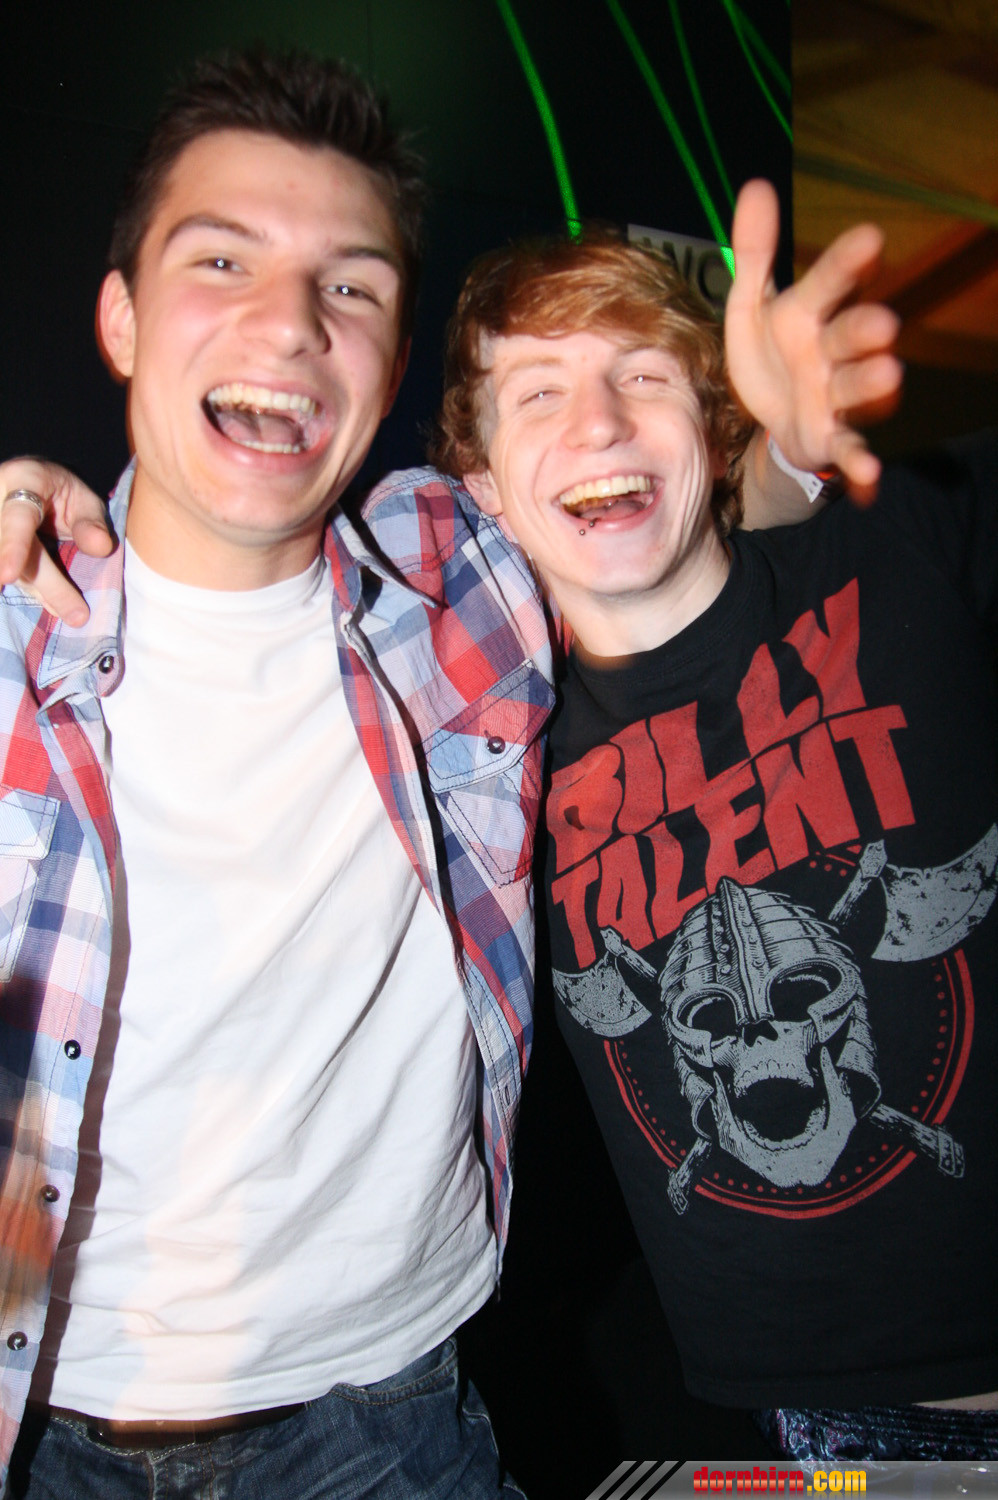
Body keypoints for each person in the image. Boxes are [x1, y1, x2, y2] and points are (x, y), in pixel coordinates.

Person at [0, 49, 904, 1492]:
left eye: (350, 285)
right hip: (44, 1430)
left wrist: (780, 453)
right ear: (119, 318)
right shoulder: (11, 642)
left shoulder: (460, 583)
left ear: (393, 357)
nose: (289, 322)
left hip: (389, 1420)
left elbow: (648, 511)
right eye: (221, 260)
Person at [428, 219, 998, 1462]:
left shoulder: (902, 549)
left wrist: (791, 461)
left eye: (642, 376)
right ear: (482, 486)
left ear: (710, 422)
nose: (597, 424)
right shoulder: (488, 773)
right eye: (539, 392)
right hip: (841, 1438)